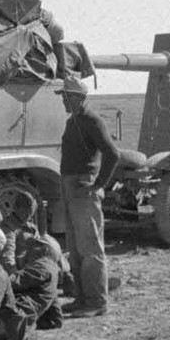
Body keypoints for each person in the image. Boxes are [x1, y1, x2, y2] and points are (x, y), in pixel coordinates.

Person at [57, 75, 120, 318]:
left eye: (66, 96)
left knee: (90, 247)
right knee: (76, 247)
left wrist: (98, 185)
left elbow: (112, 154)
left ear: (78, 97)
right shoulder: (75, 121)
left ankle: (96, 302)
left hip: (83, 187)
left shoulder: (92, 121)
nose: (63, 100)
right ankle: (82, 298)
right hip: (73, 187)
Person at [10, 230, 65, 331]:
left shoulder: (42, 266)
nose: (29, 250)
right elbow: (56, 311)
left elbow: (13, 282)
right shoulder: (51, 269)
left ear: (44, 249)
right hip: (20, 320)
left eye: (34, 245)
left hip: (11, 319)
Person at [0, 191, 39, 273]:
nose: (28, 217)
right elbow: (7, 257)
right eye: (25, 213)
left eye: (30, 214)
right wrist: (16, 276)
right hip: (18, 271)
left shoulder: (31, 228)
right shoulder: (8, 228)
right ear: (16, 208)